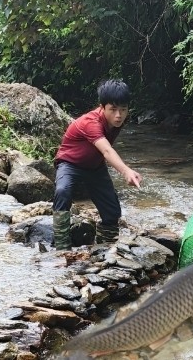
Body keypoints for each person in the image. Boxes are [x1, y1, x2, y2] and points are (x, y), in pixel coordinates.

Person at [51, 79, 143, 249]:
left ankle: (105, 250)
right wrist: (126, 171)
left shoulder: (118, 120)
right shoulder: (90, 123)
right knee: (63, 191)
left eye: (123, 110)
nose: (118, 115)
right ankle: (62, 248)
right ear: (102, 107)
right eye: (113, 110)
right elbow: (107, 151)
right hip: (70, 164)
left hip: (95, 167)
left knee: (112, 211)